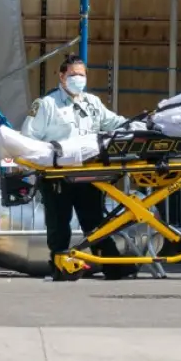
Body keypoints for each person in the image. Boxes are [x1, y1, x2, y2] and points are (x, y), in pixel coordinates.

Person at [23, 53, 131, 280]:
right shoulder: (46, 104)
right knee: (58, 222)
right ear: (62, 77)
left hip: (88, 172)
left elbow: (114, 122)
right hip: (57, 174)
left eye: (81, 75)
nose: (77, 79)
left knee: (94, 220)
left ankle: (110, 264)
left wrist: (139, 125)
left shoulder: (92, 103)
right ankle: (60, 264)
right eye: (73, 75)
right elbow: (28, 137)